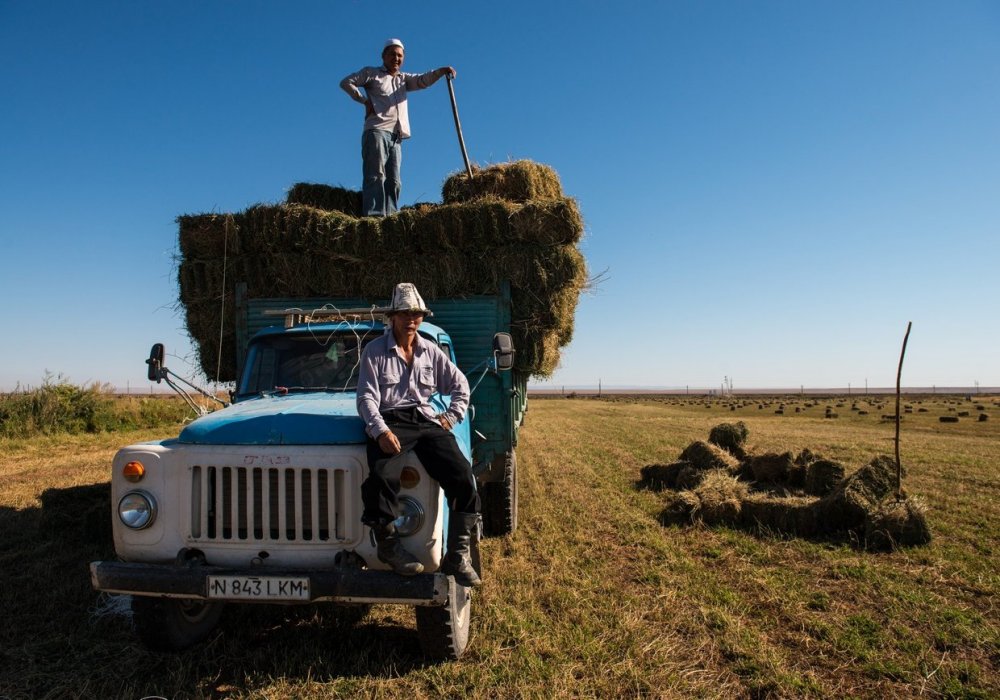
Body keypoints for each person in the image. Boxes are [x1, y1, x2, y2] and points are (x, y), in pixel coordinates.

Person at [356, 282, 481, 587]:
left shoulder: (431, 351)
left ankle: (457, 554)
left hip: (425, 419)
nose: (411, 318)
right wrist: (380, 430)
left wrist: (451, 416)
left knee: (462, 475)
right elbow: (366, 398)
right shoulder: (374, 351)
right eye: (405, 313)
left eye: (416, 313)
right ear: (393, 316)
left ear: (421, 317)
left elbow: (459, 385)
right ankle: (389, 547)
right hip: (391, 419)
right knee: (381, 475)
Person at [340, 39, 456, 217]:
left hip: (396, 136)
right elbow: (347, 82)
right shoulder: (372, 73)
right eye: (392, 54)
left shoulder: (403, 79)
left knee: (394, 180)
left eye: (400, 55)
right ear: (384, 56)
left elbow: (422, 80)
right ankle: (374, 216)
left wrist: (441, 71)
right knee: (376, 175)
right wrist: (364, 101)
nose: (396, 58)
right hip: (376, 130)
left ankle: (391, 217)